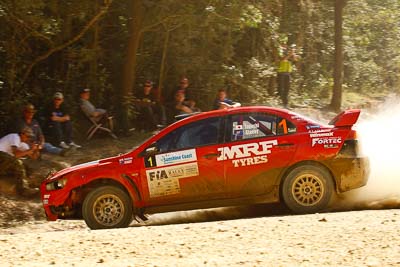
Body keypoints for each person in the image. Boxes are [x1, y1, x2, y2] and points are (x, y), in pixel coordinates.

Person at [0, 127, 39, 196]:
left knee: (27, 167)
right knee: (18, 163)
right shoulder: (15, 137)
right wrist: (29, 150)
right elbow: (16, 154)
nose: (29, 138)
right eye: (28, 136)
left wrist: (36, 149)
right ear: (22, 134)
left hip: (3, 161)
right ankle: (23, 189)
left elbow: (34, 157)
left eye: (30, 137)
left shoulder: (22, 144)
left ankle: (29, 184)